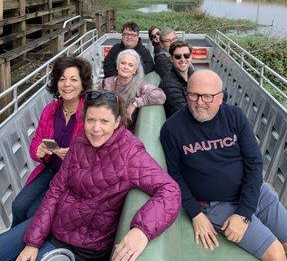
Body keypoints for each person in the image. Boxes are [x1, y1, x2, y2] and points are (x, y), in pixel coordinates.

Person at [0, 90, 181, 261]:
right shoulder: (80, 141)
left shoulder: (130, 153)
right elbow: (56, 189)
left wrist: (142, 230)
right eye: (90, 120)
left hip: (81, 245)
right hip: (53, 223)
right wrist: (33, 241)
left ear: (117, 121)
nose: (95, 128)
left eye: (104, 121)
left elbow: (170, 190)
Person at [160, 70, 287, 261]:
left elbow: (254, 163)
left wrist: (243, 214)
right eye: (193, 94)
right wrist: (196, 214)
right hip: (216, 204)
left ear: (221, 98)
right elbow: (174, 175)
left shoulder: (235, 117)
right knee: (276, 254)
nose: (199, 102)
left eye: (207, 96)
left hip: (253, 193)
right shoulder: (172, 128)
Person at [11, 55, 93, 227]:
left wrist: (73, 155)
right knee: (18, 206)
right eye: (62, 79)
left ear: (82, 84)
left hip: (72, 176)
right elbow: (36, 143)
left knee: (34, 213)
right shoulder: (50, 110)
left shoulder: (90, 113)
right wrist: (39, 151)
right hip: (50, 169)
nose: (67, 84)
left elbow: (96, 153)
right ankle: (13, 243)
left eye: (73, 79)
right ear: (56, 83)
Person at [102, 49, 166, 128]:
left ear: (135, 70)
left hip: (124, 130)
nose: (126, 67)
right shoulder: (105, 83)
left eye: (130, 65)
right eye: (123, 63)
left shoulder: (139, 85)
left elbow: (160, 95)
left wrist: (135, 104)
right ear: (117, 66)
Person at [159, 40, 194, 118]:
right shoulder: (168, 84)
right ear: (171, 59)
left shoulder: (194, 76)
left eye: (186, 55)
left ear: (191, 57)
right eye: (178, 56)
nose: (182, 59)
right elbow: (182, 113)